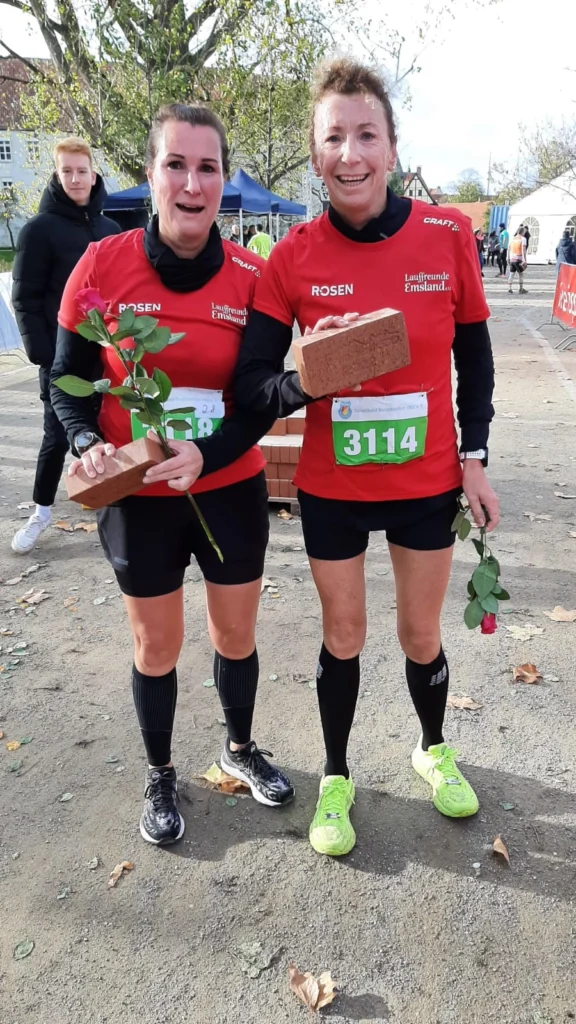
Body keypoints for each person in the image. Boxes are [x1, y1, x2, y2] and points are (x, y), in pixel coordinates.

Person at [235, 58, 499, 857]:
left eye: (365, 135)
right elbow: (255, 385)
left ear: (390, 148)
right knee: (343, 633)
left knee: (421, 634)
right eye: (333, 139)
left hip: (426, 482)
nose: (349, 154)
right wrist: (305, 378)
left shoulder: (448, 234)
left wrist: (477, 456)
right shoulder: (292, 259)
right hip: (335, 489)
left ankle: (430, 747)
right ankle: (339, 774)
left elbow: (475, 358)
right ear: (315, 156)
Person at [50, 104, 294, 846]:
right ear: (152, 175)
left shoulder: (254, 275)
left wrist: (208, 454)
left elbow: (257, 396)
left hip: (227, 489)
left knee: (235, 634)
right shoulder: (101, 266)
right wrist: (87, 437)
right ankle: (160, 771)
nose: (192, 182)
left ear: (223, 178)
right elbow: (66, 376)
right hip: (138, 495)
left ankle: (240, 749)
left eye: (208, 167)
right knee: (155, 645)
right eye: (176, 165)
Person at [10, 137, 121, 555]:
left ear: (94, 175)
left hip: (106, 353)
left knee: (107, 427)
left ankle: (107, 498)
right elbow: (25, 297)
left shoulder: (110, 230)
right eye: (67, 172)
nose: (76, 179)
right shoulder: (38, 229)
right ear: (57, 176)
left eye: (82, 171)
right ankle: (41, 511)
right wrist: (45, 355)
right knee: (56, 436)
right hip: (60, 357)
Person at [508, 227, 528, 294]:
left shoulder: (512, 238)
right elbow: (523, 249)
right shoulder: (523, 239)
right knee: (521, 274)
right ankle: (521, 288)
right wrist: (524, 259)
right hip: (518, 259)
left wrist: (508, 258)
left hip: (512, 259)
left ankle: (510, 288)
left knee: (511, 274)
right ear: (522, 232)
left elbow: (509, 249)